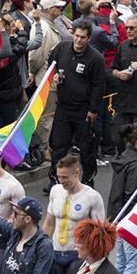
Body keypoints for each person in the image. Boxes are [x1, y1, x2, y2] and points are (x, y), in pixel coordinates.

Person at [48, 20, 106, 191]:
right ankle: (54, 180)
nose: (79, 40)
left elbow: (99, 86)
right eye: (77, 36)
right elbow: (51, 65)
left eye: (83, 38)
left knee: (87, 150)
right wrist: (54, 77)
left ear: (88, 39)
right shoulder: (61, 48)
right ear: (72, 34)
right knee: (58, 147)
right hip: (63, 108)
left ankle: (87, 181)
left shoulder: (96, 59)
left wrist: (93, 110)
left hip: (84, 111)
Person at [44, 153, 107, 274]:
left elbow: (99, 231)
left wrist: (93, 258)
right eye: (59, 177)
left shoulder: (92, 197)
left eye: (65, 177)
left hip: (77, 255)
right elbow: (49, 223)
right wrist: (42, 247)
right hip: (55, 251)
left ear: (76, 173)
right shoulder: (55, 191)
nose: (61, 181)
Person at [108, 122, 137, 274]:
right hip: (130, 219)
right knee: (133, 264)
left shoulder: (125, 158)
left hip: (118, 216)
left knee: (122, 262)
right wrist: (136, 221)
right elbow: (132, 195)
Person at [0, 197, 55, 274]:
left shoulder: (43, 246)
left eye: (16, 214)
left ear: (27, 219)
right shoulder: (15, 232)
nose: (12, 216)